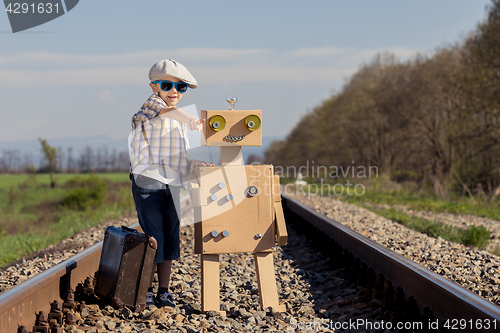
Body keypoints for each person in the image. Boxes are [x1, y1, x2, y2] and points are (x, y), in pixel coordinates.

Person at [129, 59, 213, 308]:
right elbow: (166, 111)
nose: (174, 92)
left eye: (180, 87)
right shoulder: (152, 105)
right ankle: (146, 289)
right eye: (167, 85)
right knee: (154, 237)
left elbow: (178, 154)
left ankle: (163, 291)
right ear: (154, 87)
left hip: (172, 182)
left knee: (170, 235)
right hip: (149, 181)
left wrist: (193, 162)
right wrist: (190, 119)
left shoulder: (177, 120)